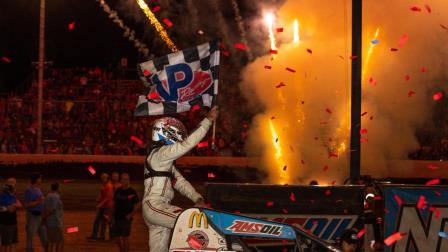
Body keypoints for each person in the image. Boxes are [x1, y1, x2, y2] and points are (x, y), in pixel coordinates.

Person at [142, 106, 219, 252]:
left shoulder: (163, 161)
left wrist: (197, 198)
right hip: (155, 206)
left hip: (156, 210)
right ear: (168, 133)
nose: (181, 136)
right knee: (190, 220)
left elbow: (181, 183)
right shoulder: (160, 155)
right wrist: (207, 121)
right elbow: (186, 145)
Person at [110, 173, 139, 252]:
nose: (124, 181)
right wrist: (111, 215)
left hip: (126, 218)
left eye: (126, 179)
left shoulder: (132, 191)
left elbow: (136, 205)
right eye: (123, 179)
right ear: (121, 180)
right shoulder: (118, 190)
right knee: (116, 237)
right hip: (117, 217)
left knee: (125, 238)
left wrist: (130, 215)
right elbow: (114, 203)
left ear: (129, 181)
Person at [24, 174, 48, 252]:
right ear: (36, 179)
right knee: (30, 238)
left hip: (40, 216)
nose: (41, 180)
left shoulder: (38, 189)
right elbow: (27, 205)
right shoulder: (29, 190)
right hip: (32, 216)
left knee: (45, 237)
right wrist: (39, 201)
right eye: (40, 178)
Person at [88, 173, 113, 241]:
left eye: (103, 178)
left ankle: (101, 236)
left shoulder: (109, 186)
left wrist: (100, 205)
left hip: (106, 207)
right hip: (103, 206)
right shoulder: (104, 185)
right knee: (98, 221)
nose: (102, 179)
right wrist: (98, 200)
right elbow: (102, 196)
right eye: (101, 178)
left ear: (107, 178)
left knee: (103, 222)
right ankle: (95, 235)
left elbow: (107, 198)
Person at [0, 178, 22, 252]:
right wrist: (7, 208)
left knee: (13, 243)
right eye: (12, 183)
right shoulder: (2, 196)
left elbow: (20, 205)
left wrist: (13, 206)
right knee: (5, 245)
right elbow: (4, 208)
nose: (14, 185)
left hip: (13, 222)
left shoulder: (13, 196)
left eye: (14, 183)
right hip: (5, 223)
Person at [43, 182, 64, 252]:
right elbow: (53, 209)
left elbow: (45, 208)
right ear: (58, 188)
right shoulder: (56, 196)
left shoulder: (48, 195)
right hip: (55, 221)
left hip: (49, 222)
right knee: (60, 241)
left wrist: (44, 218)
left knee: (51, 241)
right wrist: (45, 217)